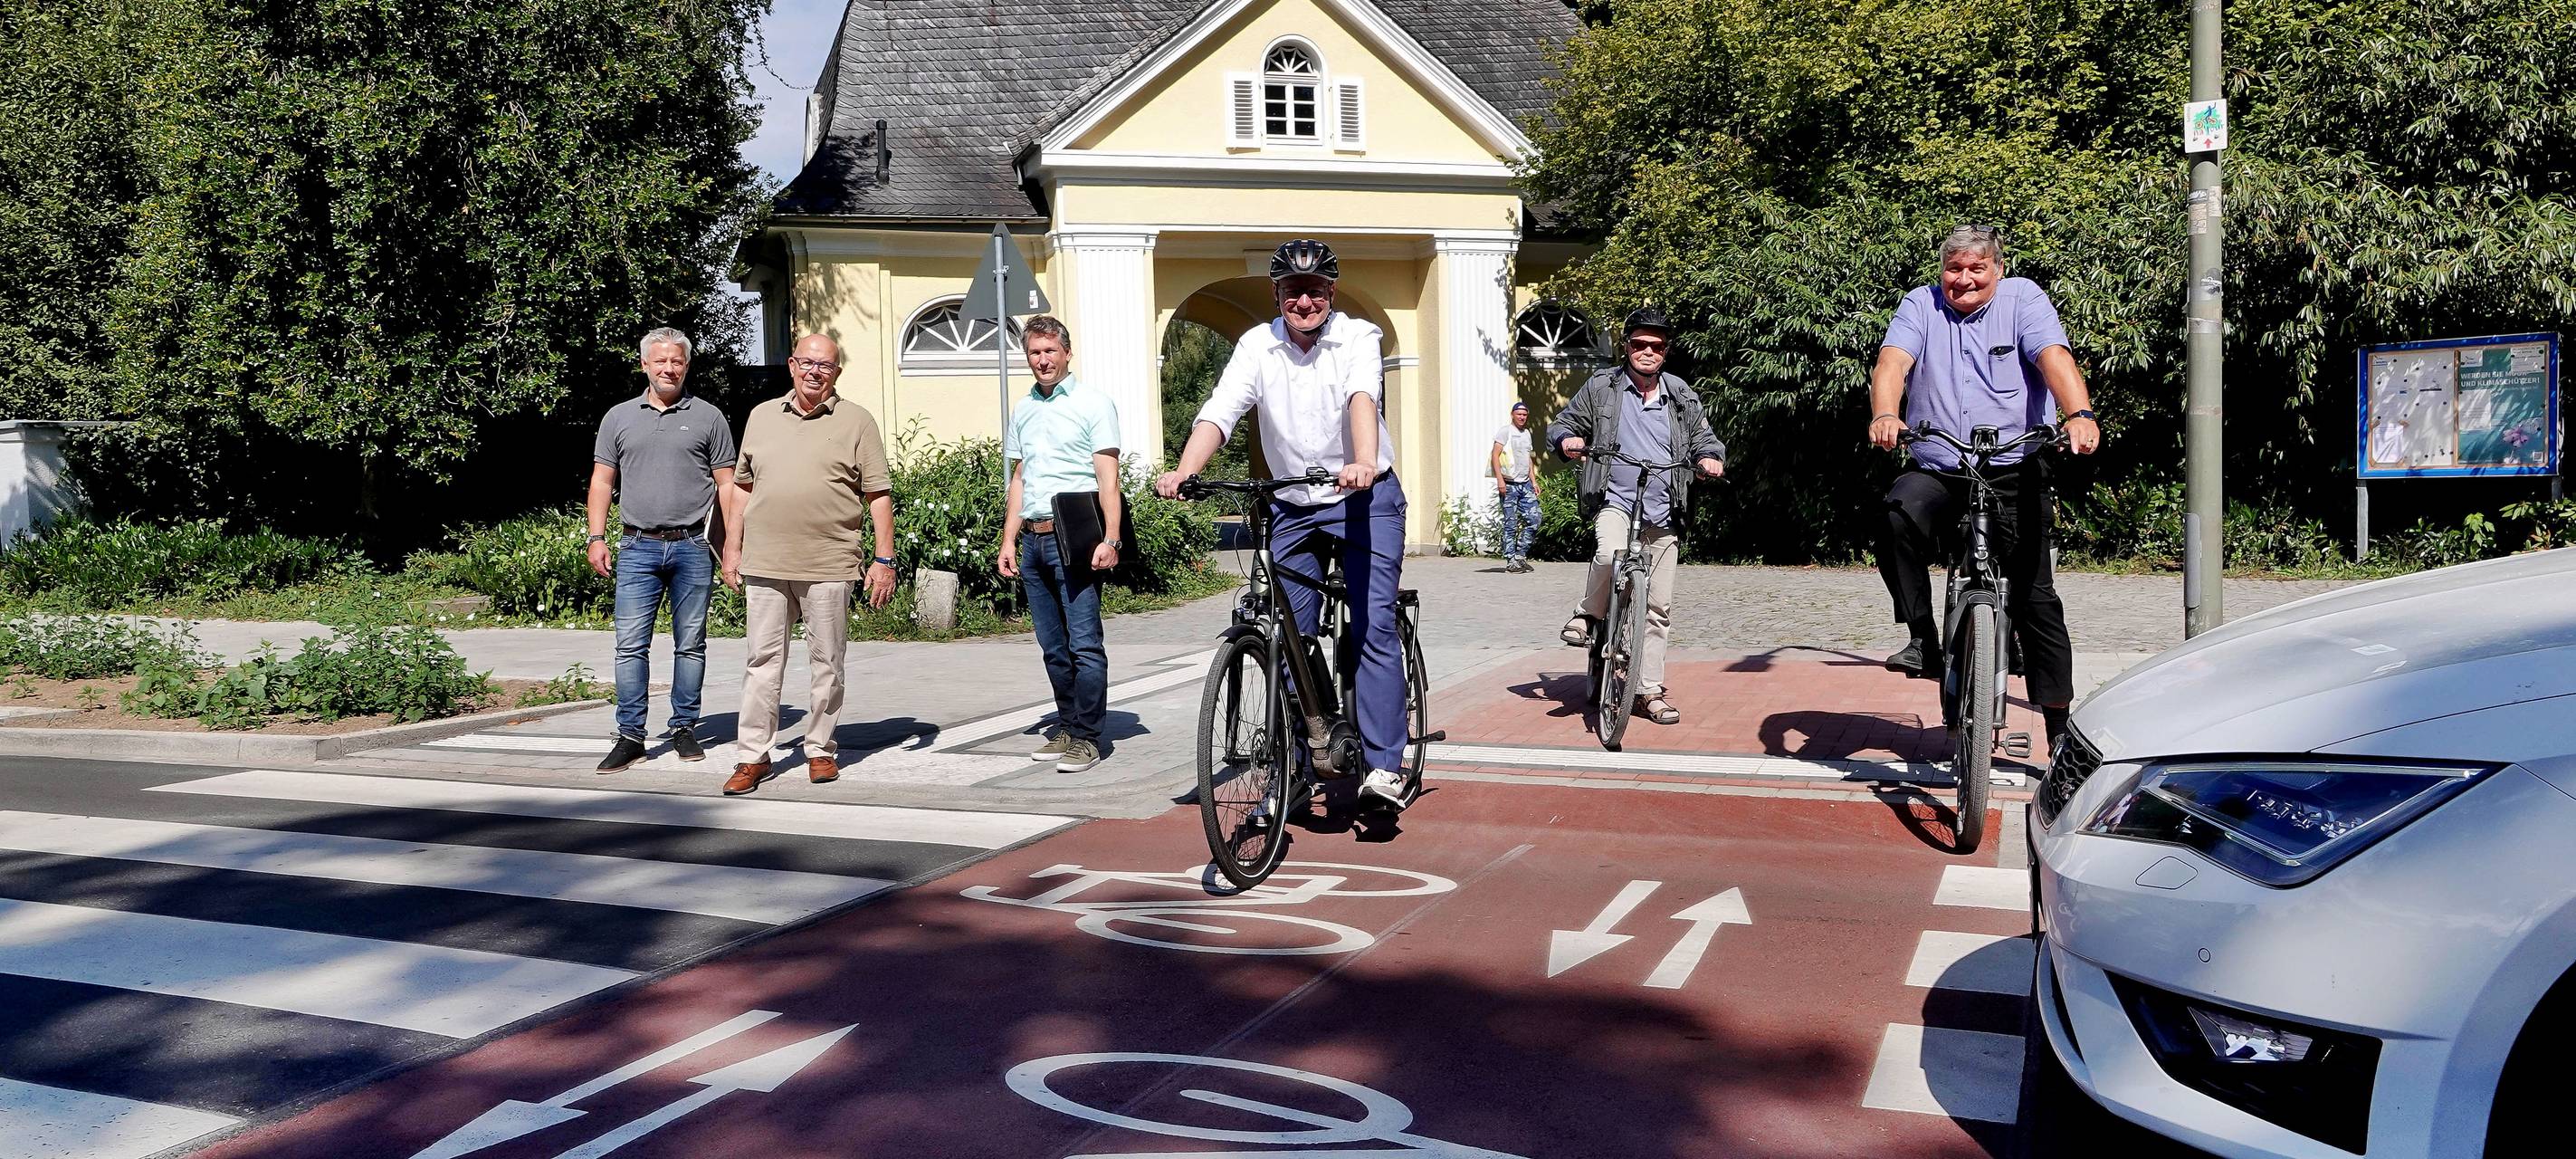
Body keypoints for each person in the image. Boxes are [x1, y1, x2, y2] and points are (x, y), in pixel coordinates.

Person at [1154, 239, 1414, 811]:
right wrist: (1184, 471)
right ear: (1277, 295)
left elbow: (1361, 397)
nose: (1305, 302)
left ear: (1331, 293)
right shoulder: (1257, 345)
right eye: (1293, 292)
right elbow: (1220, 412)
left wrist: (1364, 462)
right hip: (1293, 503)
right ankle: (1302, 755)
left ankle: (1385, 767)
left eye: (1316, 291)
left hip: (1363, 497)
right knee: (1287, 634)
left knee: (1372, 628)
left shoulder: (1357, 337)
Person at [1865, 224, 2101, 754]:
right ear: (1941, 271)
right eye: (1955, 268)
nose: (1964, 279)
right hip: (1941, 462)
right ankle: (1923, 638)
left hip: (2014, 465)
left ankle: (2060, 732)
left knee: (2036, 599)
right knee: (1896, 515)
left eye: (1977, 268)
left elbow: (2054, 358)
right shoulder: (1920, 305)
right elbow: (1892, 363)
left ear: (1997, 268)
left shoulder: (2024, 300)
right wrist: (1885, 413)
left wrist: (2079, 415)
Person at [719, 333, 898, 795]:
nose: (815, 371)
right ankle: (752, 756)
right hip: (766, 560)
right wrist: (732, 549)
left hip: (829, 561)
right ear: (791, 366)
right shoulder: (761, 416)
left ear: (837, 372)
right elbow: (741, 487)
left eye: (826, 365)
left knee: (828, 662)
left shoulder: (857, 421)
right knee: (762, 661)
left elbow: (878, 494)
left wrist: (884, 559)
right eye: (807, 363)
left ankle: (819, 749)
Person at [1546, 307, 1726, 727]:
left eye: (1657, 346)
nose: (1648, 352)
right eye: (1640, 344)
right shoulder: (1602, 387)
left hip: (1665, 509)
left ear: (1666, 352)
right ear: (1627, 346)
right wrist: (1567, 439)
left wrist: (1710, 458)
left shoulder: (1680, 394)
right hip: (1616, 499)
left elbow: (1704, 436)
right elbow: (1563, 422)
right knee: (1610, 555)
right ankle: (1588, 614)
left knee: (1657, 608)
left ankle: (1648, 692)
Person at [587, 326, 736, 773]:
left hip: (692, 545)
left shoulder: (709, 417)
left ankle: (684, 727)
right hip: (637, 546)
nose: (669, 368)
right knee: (630, 646)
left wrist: (731, 547)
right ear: (644, 365)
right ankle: (631, 735)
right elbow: (601, 481)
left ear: (687, 366)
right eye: (660, 361)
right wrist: (596, 537)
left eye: (677, 361)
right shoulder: (618, 417)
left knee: (691, 644)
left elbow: (728, 485)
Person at [997, 316, 1122, 774]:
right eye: (1035, 353)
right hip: (1032, 541)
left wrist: (1111, 538)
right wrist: (1008, 539)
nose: (1043, 360)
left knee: (1085, 643)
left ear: (1067, 353)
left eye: (1050, 351)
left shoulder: (1093, 404)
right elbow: (1020, 477)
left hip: (1076, 540)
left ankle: (1089, 737)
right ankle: (1068, 725)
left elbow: (1109, 479)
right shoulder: (1024, 409)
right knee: (1052, 646)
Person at [1493, 401, 1542, 571]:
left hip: (1525, 484)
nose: (1522, 417)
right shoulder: (1505, 431)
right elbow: (1495, 455)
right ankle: (1510, 561)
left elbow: (1528, 459)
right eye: (1519, 414)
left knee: (1535, 518)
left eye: (1524, 415)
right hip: (1509, 485)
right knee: (1511, 523)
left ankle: (1520, 555)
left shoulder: (1527, 433)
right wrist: (1500, 480)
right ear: (1512, 415)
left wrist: (1534, 481)